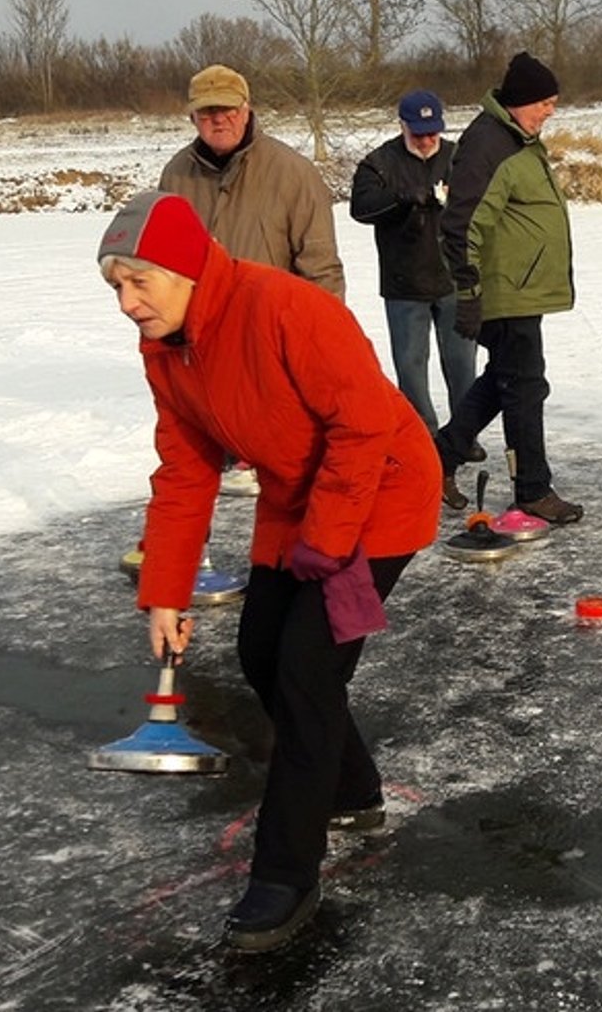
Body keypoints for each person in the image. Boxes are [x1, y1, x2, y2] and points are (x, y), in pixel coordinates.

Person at [98, 190, 437, 953]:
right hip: (296, 496)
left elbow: (364, 423)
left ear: (184, 272)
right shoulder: (167, 347)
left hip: (377, 489)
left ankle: (287, 871)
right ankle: (352, 790)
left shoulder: (286, 308)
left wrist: (329, 539)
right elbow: (185, 473)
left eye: (138, 282)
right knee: (259, 650)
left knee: (307, 670)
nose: (125, 304)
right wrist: (165, 591)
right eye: (115, 286)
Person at [434, 51, 582, 523]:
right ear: (518, 101)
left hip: (520, 288)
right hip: (503, 290)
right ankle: (533, 489)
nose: (550, 111)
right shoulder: (490, 144)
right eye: (544, 102)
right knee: (524, 386)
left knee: (507, 382)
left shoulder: (514, 138)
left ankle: (440, 456)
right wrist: (470, 291)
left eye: (554, 102)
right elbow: (461, 224)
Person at [348, 89, 482, 456]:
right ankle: (422, 436)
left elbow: (486, 201)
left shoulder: (458, 158)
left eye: (432, 132)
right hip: (404, 282)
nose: (426, 140)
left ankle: (464, 434)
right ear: (403, 126)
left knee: (462, 364)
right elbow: (360, 208)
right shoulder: (379, 163)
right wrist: (403, 197)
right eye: (418, 133)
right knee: (410, 366)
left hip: (455, 277)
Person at [159, 63, 343, 297]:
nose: (219, 119)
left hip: (270, 321)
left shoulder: (294, 172)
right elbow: (164, 266)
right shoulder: (175, 176)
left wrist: (322, 329)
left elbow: (321, 269)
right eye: (207, 111)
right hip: (201, 326)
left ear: (246, 112)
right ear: (192, 118)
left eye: (229, 109)